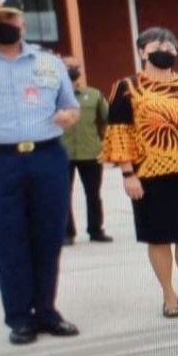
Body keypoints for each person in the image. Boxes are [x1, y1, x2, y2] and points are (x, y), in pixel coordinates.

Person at [0, 0, 82, 346]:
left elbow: (70, 105)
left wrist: (69, 115)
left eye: (9, 16)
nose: (2, 23)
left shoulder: (48, 62)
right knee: (8, 241)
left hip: (46, 157)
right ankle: (20, 318)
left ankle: (47, 311)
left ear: (22, 21)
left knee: (49, 237)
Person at [102, 27, 178, 318]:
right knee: (158, 237)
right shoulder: (127, 87)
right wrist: (127, 174)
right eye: (157, 45)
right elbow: (120, 131)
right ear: (142, 51)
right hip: (149, 175)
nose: (165, 49)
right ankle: (168, 295)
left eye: (171, 46)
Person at [60, 53, 112, 245]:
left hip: (90, 152)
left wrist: (104, 145)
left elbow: (107, 120)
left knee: (93, 194)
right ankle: (67, 233)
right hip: (62, 153)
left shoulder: (94, 95)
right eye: (67, 67)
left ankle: (96, 230)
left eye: (75, 67)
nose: (71, 70)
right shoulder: (52, 97)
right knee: (63, 195)